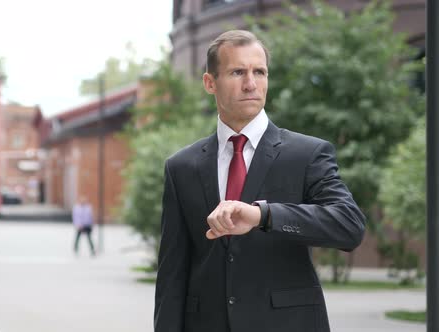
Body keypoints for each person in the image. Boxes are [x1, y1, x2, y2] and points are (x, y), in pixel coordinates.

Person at [154, 30, 366, 332]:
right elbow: (171, 275)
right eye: (237, 72)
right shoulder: (181, 167)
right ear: (209, 83)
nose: (251, 84)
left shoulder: (307, 154)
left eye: (259, 72)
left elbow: (349, 226)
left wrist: (263, 215)